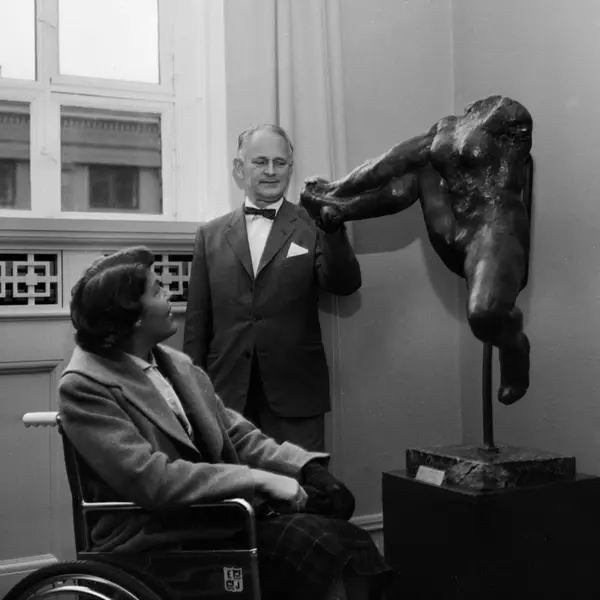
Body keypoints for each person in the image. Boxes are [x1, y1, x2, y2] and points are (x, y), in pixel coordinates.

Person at [58, 246, 391, 600]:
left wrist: (305, 468)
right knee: (314, 543)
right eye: (157, 290)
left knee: (344, 539)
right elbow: (153, 479)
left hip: (215, 519)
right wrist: (258, 479)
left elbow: (236, 434)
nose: (169, 294)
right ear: (133, 316)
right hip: (155, 538)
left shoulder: (174, 364)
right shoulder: (84, 385)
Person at [300, 95, 533, 406]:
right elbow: (393, 173)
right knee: (416, 173)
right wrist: (336, 195)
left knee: (485, 313)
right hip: (451, 229)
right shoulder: (447, 126)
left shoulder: (507, 113)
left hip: (492, 228)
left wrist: (332, 191)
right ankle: (339, 208)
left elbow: (399, 160)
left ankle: (515, 344)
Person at [183, 124, 362, 452]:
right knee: (233, 483)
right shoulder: (209, 236)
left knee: (303, 481)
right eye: (260, 162)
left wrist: (333, 230)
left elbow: (345, 285)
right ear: (240, 169)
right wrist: (192, 395)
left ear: (290, 169)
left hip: (296, 395)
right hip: (225, 397)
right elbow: (197, 325)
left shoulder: (313, 223)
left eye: (280, 163)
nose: (270, 171)